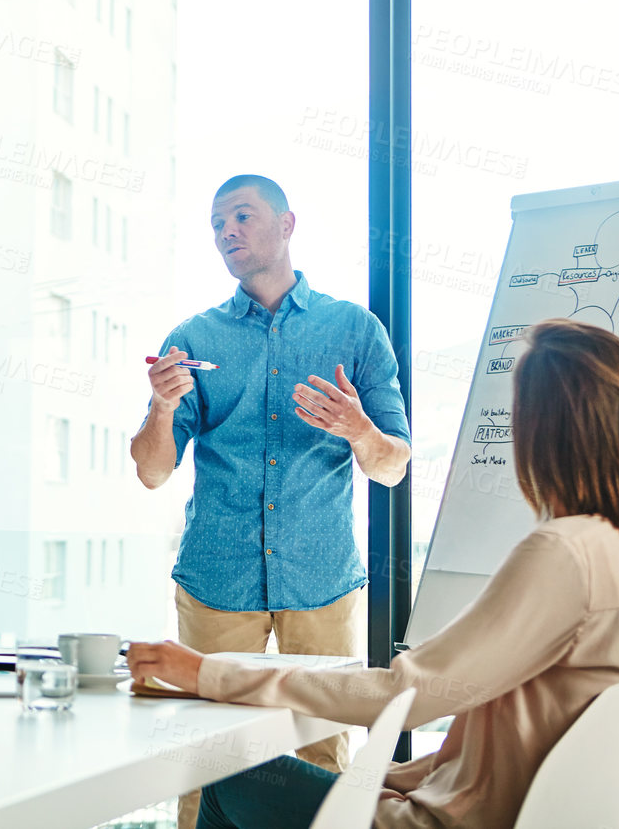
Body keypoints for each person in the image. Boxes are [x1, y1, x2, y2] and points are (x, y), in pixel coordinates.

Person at [127, 318, 619, 829]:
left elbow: (406, 694)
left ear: (542, 428)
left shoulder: (564, 554)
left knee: (224, 777)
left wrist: (209, 674)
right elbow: (498, 756)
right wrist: (386, 778)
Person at [131, 174, 412, 801]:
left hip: (322, 582)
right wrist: (158, 408)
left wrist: (358, 428)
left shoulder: (355, 330)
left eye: (241, 216)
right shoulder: (194, 340)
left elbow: (392, 465)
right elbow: (152, 471)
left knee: (321, 756)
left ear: (286, 225)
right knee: (207, 762)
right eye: (216, 224)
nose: (226, 232)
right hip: (215, 582)